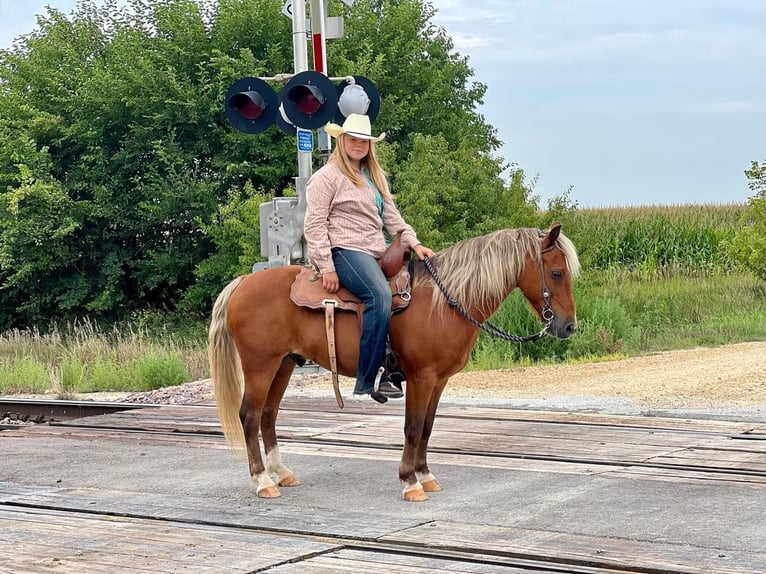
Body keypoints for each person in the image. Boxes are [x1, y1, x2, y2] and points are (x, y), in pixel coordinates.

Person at [304, 113, 434, 404]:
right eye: (353, 139)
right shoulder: (326, 178)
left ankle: (396, 367)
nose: (359, 145)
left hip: (378, 250)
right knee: (379, 295)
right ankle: (369, 376)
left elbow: (394, 220)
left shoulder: (373, 177)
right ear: (342, 140)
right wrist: (326, 265)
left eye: (364, 140)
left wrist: (416, 243)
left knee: (414, 292)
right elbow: (314, 225)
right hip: (345, 250)